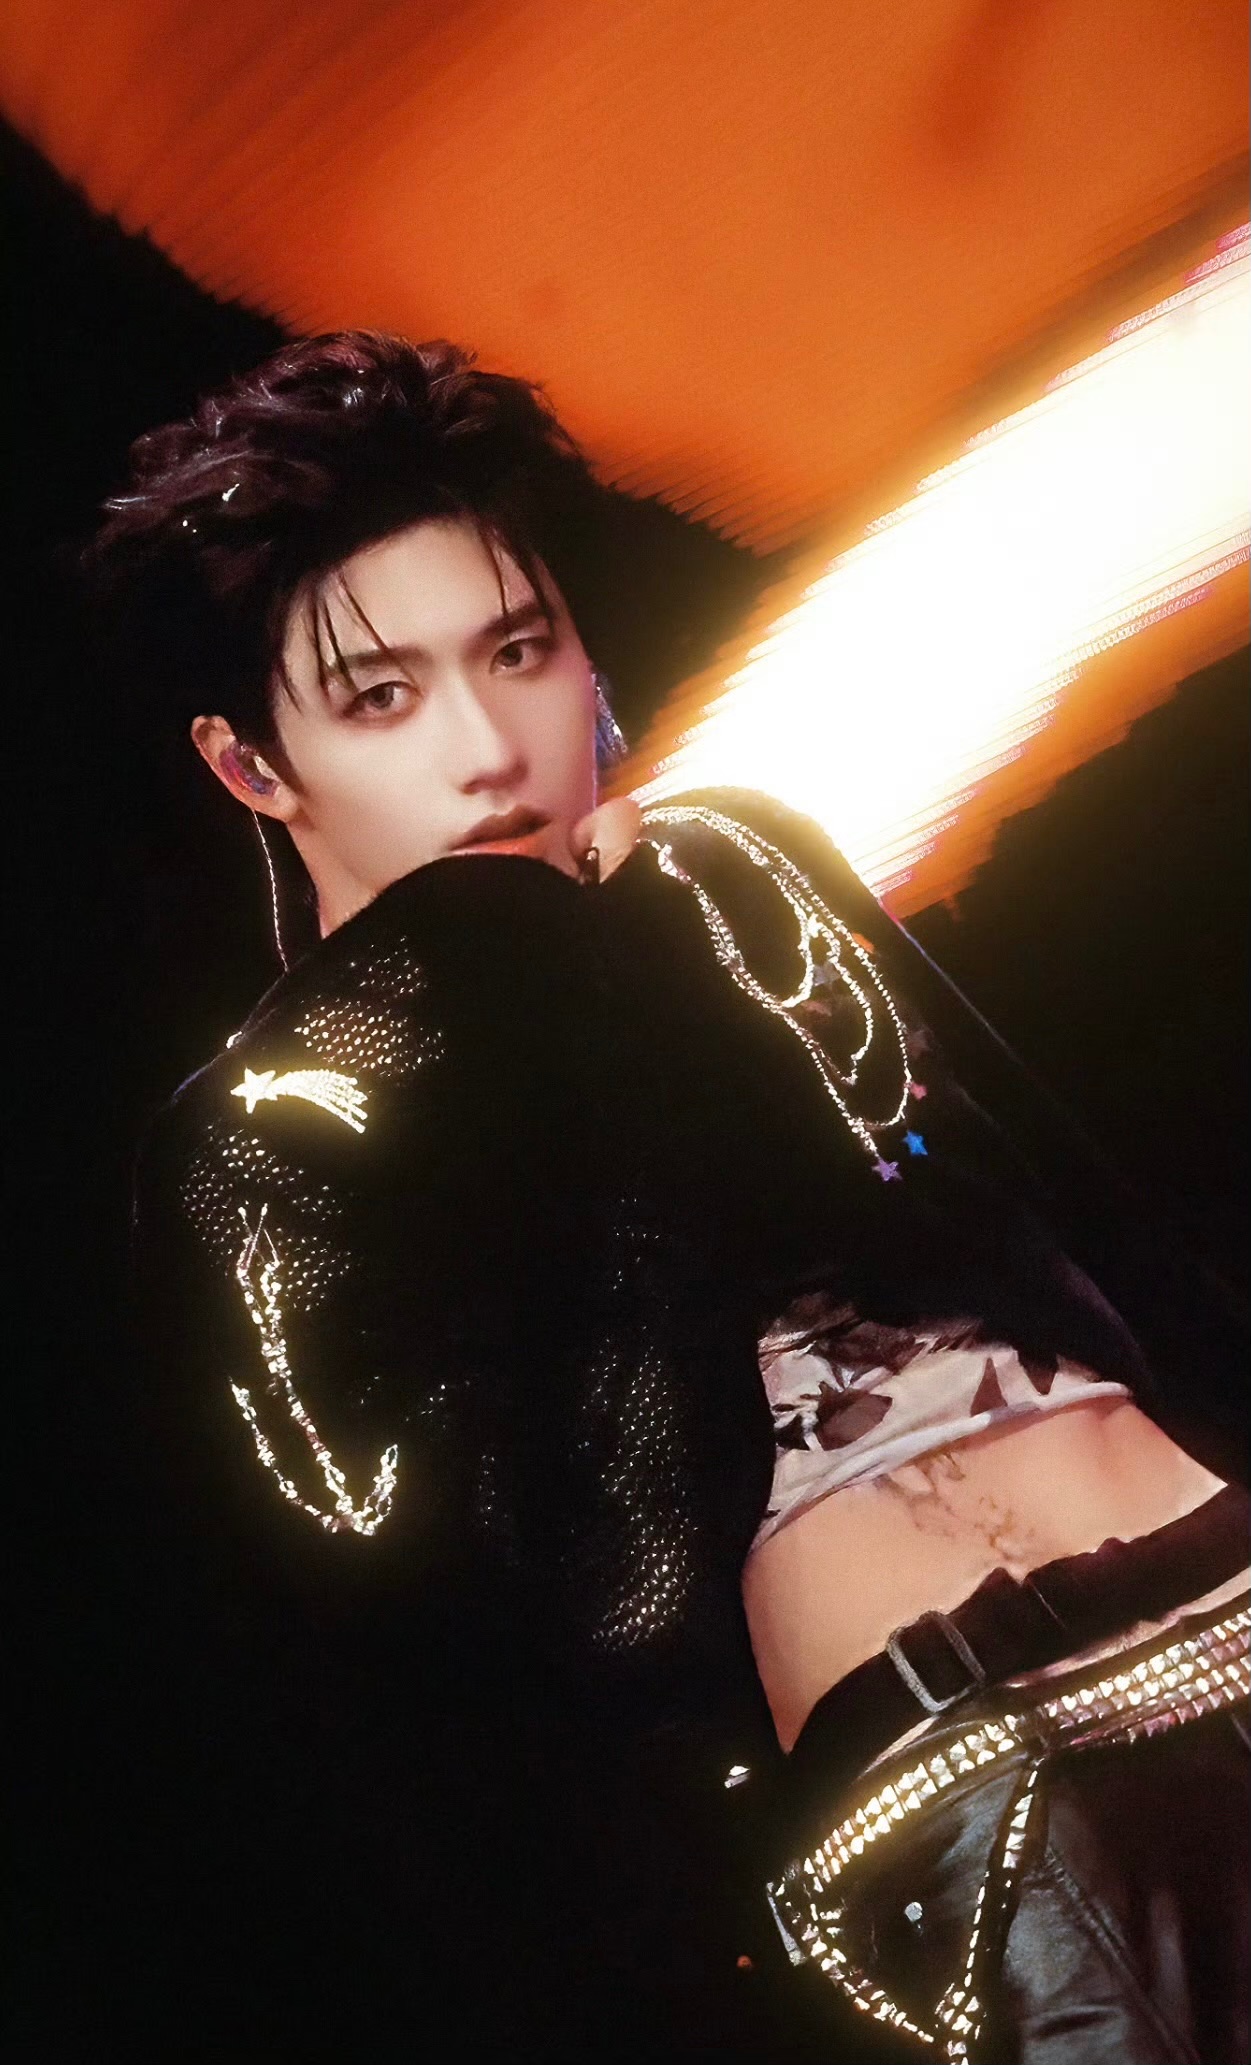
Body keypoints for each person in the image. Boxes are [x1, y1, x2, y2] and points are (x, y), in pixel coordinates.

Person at [95, 331, 1247, 2062]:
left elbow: (1074, 1229)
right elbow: (606, 1589)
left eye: (520, 650)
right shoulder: (275, 1133)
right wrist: (564, 991)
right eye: (384, 697)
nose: (489, 748)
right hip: (982, 1793)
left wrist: (661, 964)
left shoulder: (733, 870)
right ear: (252, 763)